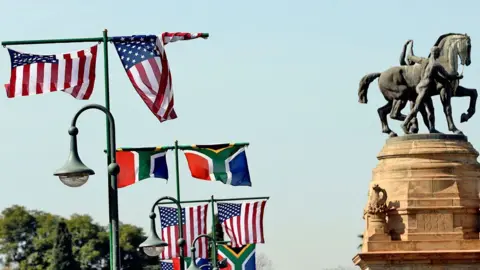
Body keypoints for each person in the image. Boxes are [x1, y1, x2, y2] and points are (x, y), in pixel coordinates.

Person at [400, 46, 463, 134]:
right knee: (416, 108)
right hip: (424, 89)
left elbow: (411, 56)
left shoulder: (425, 61)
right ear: (437, 54)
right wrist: (457, 76)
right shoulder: (436, 65)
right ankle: (404, 123)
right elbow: (447, 76)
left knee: (431, 109)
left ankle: (432, 128)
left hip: (421, 87)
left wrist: (409, 48)